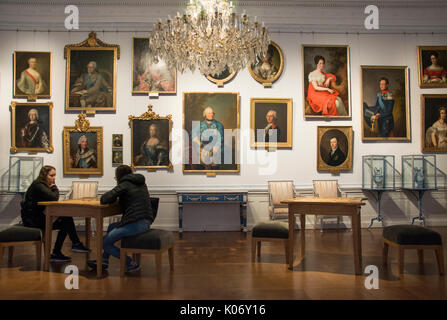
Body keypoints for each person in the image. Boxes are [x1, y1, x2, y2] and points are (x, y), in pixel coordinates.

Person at [88, 165, 154, 273]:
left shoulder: (125, 184)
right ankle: (104, 259)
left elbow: (104, 199)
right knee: (111, 226)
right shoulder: (141, 183)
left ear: (118, 176)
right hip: (145, 221)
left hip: (136, 223)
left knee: (104, 242)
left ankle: (131, 264)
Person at [20, 165, 89, 262]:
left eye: (55, 175)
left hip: (37, 217)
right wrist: (55, 187)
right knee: (66, 220)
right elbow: (54, 197)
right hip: (32, 221)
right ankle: (71, 245)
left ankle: (64, 249)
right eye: (51, 175)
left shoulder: (42, 185)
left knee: (66, 220)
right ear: (44, 175)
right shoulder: (39, 185)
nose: (54, 178)